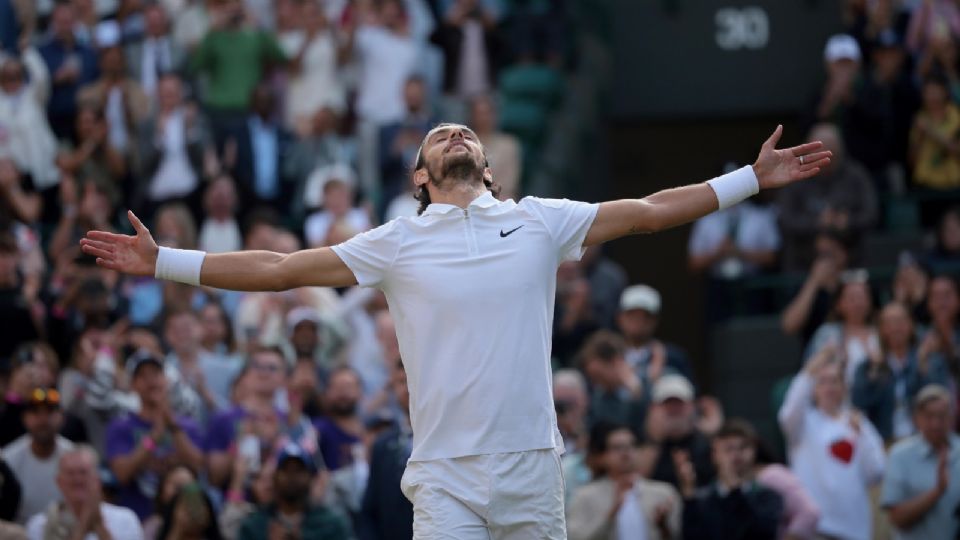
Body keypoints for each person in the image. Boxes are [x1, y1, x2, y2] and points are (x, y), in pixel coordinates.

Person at [80, 121, 831, 537]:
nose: (455, 136)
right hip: (445, 476)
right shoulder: (394, 243)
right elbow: (279, 269)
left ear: (487, 167)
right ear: (420, 177)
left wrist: (749, 182)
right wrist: (164, 264)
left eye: (463, 132)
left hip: (535, 466)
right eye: (439, 136)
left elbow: (649, 211)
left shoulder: (540, 220)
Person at [778, 348, 886, 540]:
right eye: (822, 381)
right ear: (813, 388)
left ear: (844, 387)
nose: (829, 387)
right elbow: (789, 411)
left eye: (835, 381)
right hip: (814, 529)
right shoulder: (802, 423)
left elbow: (876, 473)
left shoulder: (859, 423)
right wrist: (810, 369)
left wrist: (861, 435)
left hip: (854, 530)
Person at [105, 351, 205, 520]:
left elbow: (199, 466)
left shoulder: (187, 426)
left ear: (166, 380)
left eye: (156, 374)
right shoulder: (120, 427)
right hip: (137, 518)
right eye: (142, 376)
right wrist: (155, 436)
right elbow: (122, 474)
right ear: (133, 385)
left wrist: (172, 427)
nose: (151, 381)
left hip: (183, 520)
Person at [851, 302, 950, 442]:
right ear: (882, 329)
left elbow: (941, 399)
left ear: (911, 325)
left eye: (900, 321)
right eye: (889, 323)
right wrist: (874, 372)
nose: (895, 328)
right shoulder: (868, 365)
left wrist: (922, 366)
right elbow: (859, 404)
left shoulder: (930, 360)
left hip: (923, 440)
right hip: (884, 441)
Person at [566, 422, 681, 540]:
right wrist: (611, 514)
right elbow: (575, 537)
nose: (626, 453)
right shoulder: (584, 496)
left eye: (632, 445)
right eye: (617, 447)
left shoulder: (663, 493)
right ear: (602, 456)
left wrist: (662, 526)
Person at [677, 420, 783, 540]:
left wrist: (735, 490)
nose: (736, 455)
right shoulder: (702, 500)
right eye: (728, 449)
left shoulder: (768, 497)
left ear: (754, 451)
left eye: (743, 447)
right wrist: (689, 496)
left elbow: (762, 533)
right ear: (715, 454)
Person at [881, 384, 960, 539]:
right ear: (917, 418)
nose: (936, 424)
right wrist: (937, 491)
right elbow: (897, 519)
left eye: (942, 416)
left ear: (952, 416)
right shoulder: (900, 455)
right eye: (929, 416)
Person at [26, 446, 144, 540]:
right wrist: (83, 527)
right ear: (59, 482)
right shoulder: (40, 525)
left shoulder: (126, 519)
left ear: (97, 480)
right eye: (70, 473)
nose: (77, 479)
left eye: (83, 472)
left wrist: (99, 526)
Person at [237, 443, 351, 539]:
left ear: (310, 477)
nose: (292, 477)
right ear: (275, 477)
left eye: (298, 471)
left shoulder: (330, 524)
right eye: (286, 470)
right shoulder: (255, 525)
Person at [1, 387, 74, 524]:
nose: (43, 419)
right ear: (25, 418)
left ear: (62, 417)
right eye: (36, 412)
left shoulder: (74, 457)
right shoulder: (9, 459)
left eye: (50, 412)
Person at [359, 359, 414, 540]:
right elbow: (370, 509)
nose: (406, 388)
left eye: (412, 380)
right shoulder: (382, 445)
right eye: (400, 382)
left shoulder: (446, 440)